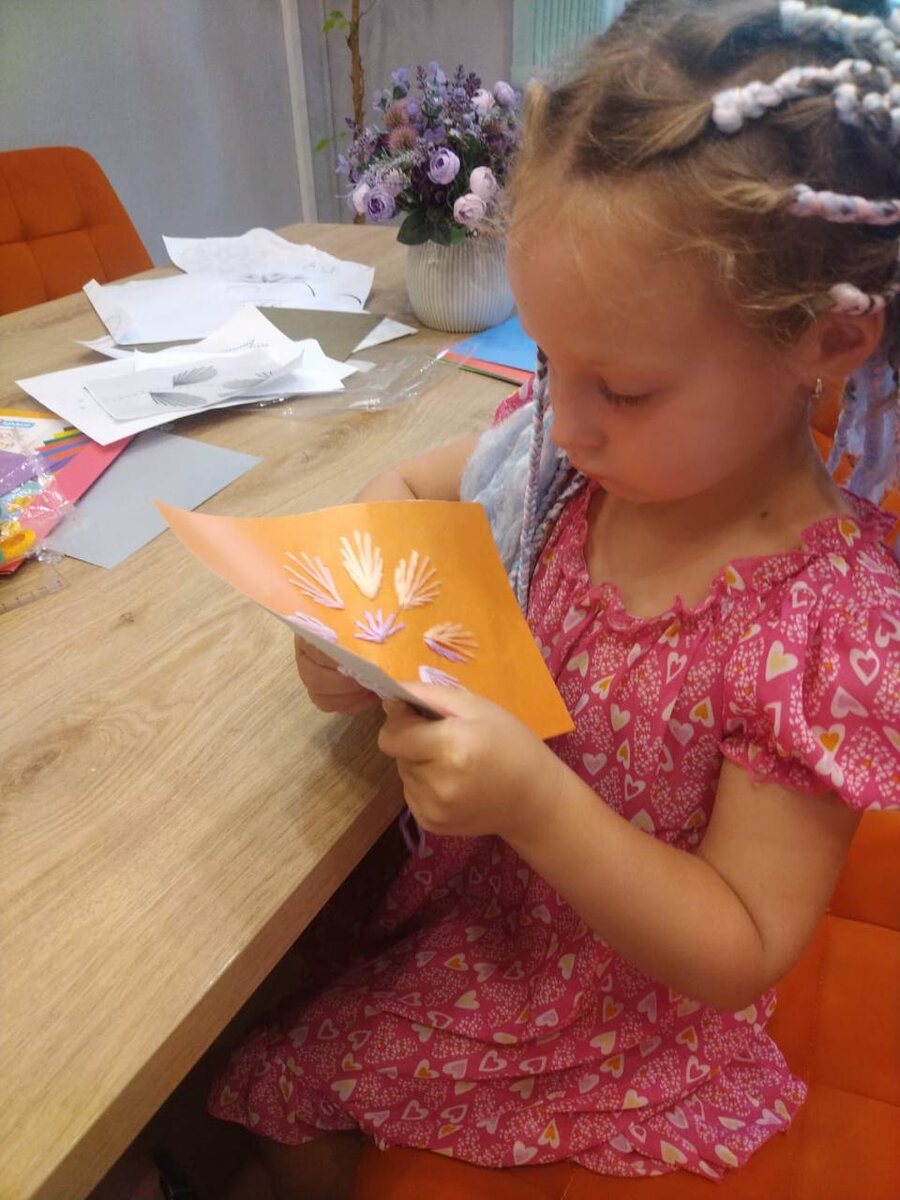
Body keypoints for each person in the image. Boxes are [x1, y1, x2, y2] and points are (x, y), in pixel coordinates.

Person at [209, 1, 900, 1195]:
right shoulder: (575, 463)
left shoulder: (822, 625)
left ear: (827, 343)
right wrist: (360, 610)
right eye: (545, 360)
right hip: (465, 892)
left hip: (612, 1000)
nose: (563, 422)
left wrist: (535, 803)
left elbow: (743, 943)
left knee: (262, 1082)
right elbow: (411, 486)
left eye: (621, 389)